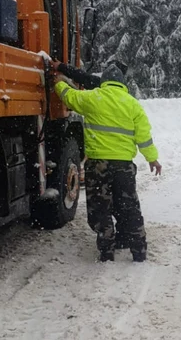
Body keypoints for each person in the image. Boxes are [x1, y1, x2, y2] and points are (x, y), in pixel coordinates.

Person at [54, 63, 162, 262]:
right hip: (124, 166)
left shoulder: (93, 98)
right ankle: (139, 249)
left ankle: (107, 249)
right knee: (130, 206)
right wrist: (152, 158)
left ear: (104, 81)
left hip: (98, 165)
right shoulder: (133, 104)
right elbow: (144, 136)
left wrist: (59, 83)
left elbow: (70, 96)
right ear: (122, 83)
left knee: (100, 207)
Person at [53, 59, 130, 249]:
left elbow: (82, 81)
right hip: (122, 160)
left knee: (101, 202)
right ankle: (125, 237)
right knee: (122, 201)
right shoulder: (126, 97)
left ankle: (107, 239)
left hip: (100, 160)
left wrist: (60, 71)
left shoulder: (100, 91)